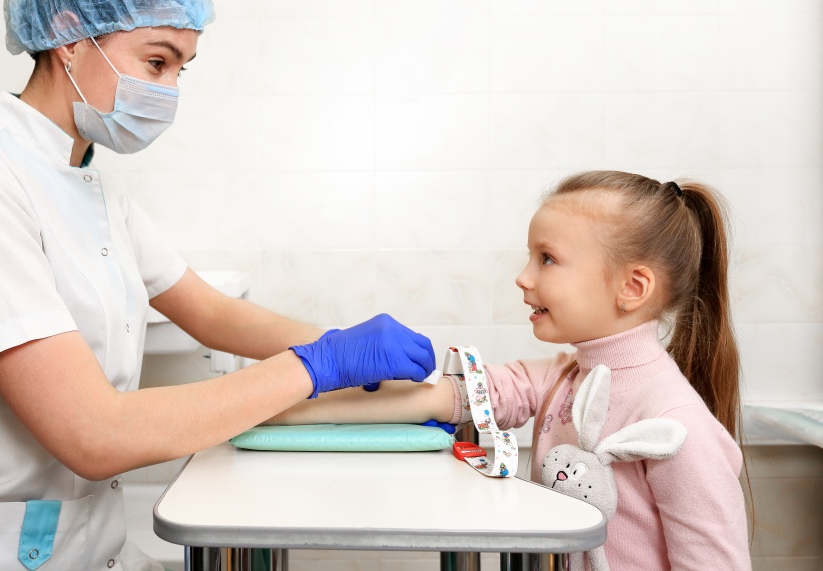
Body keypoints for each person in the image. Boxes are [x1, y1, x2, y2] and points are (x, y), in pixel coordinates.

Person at [0, 0, 438, 571]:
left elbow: (211, 312)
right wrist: (320, 364)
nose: (169, 91)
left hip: (86, 546)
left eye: (181, 70)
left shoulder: (94, 190)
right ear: (69, 37)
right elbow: (94, 433)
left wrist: (356, 354)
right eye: (156, 62)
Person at [271, 170, 752, 570]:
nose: (523, 278)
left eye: (547, 259)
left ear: (632, 287)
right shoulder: (560, 379)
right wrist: (283, 402)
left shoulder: (676, 427)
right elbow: (441, 398)